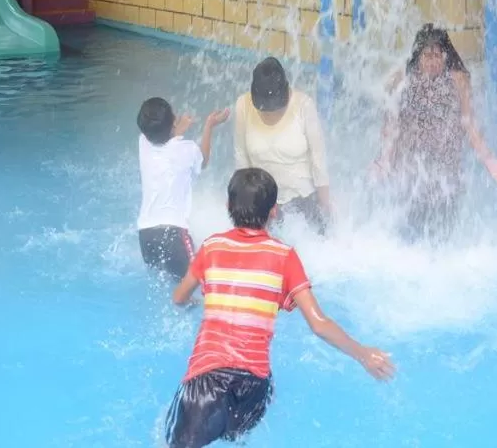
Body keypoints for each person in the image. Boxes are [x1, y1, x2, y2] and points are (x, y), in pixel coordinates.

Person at [165, 168, 394, 448]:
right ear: (274, 211)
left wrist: (192, 302)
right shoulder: (285, 256)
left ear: (228, 206)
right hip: (255, 388)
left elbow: (179, 296)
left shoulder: (211, 247)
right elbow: (319, 323)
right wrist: (363, 354)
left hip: (208, 378)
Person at [371, 24, 497, 240]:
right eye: (427, 55)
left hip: (445, 172)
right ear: (417, 56)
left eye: (438, 55)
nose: (432, 61)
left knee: (444, 236)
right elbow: (391, 124)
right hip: (412, 170)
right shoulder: (402, 79)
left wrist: (489, 160)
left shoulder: (457, 79)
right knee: (410, 235)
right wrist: (383, 161)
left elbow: (468, 124)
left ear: (446, 56)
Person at [233, 57, 331, 232]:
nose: (270, 113)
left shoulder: (304, 106)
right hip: (263, 203)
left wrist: (326, 205)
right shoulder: (243, 105)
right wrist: (241, 202)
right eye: (265, 109)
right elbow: (241, 156)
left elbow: (318, 159)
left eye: (275, 108)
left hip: (302, 198)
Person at [136, 97, 230, 280]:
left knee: (166, 283)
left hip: (145, 236)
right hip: (174, 236)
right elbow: (203, 160)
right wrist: (209, 125)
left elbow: (165, 145)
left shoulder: (143, 144)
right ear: (173, 122)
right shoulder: (188, 149)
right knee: (194, 286)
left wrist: (176, 131)